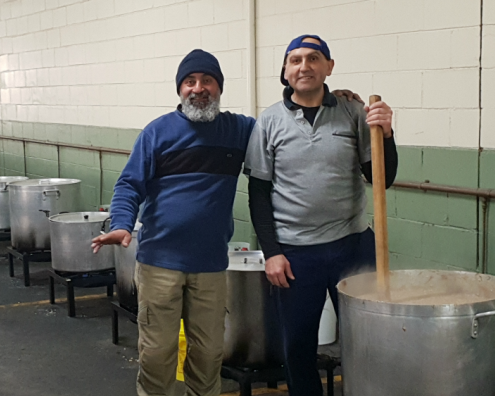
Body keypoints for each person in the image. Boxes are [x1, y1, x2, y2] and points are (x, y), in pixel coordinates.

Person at [92, 48, 364, 396]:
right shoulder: (157, 133)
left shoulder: (240, 130)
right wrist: (122, 222)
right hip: (160, 264)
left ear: (219, 88)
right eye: (190, 82)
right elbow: (130, 184)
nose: (198, 88)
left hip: (210, 267)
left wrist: (331, 100)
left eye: (207, 81)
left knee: (208, 356)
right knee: (157, 354)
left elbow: (285, 120)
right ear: (180, 89)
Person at [244, 34, 398, 396]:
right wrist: (272, 252)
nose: (304, 66)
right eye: (295, 59)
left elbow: (382, 178)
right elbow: (258, 193)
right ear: (285, 71)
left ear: (329, 67)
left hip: (353, 247)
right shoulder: (268, 122)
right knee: (297, 347)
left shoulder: (353, 113)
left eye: (314, 58)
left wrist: (387, 134)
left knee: (367, 339)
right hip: (295, 253)